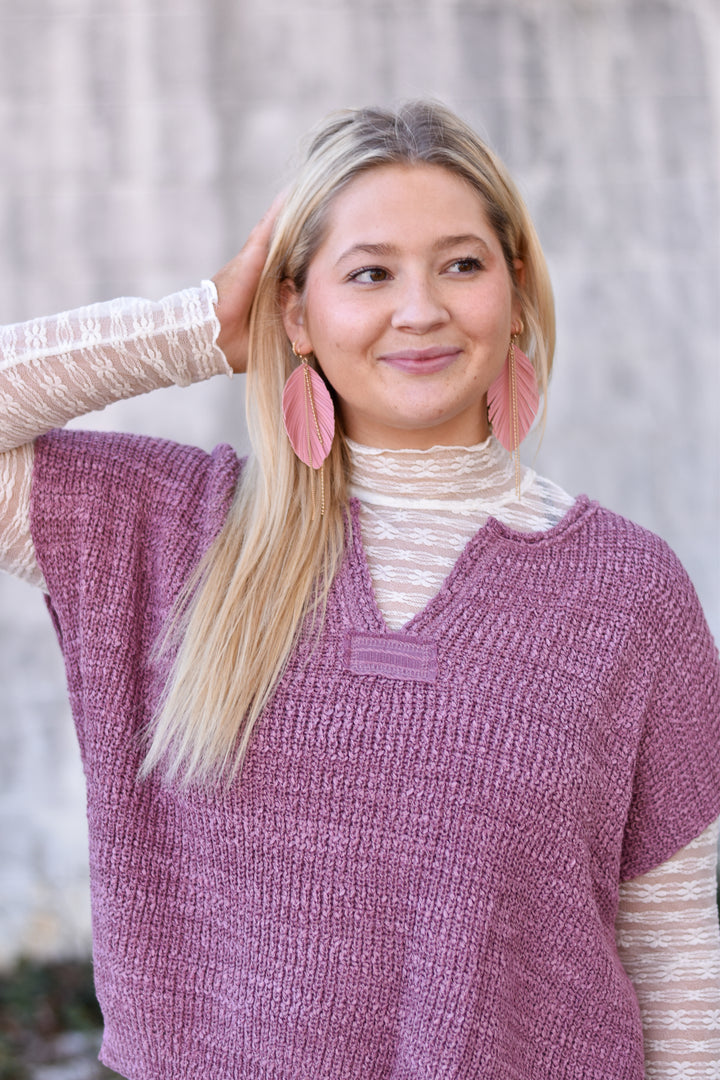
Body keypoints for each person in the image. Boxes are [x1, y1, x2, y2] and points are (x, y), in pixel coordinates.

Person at [1, 102, 718, 1079]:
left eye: (462, 265)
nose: (419, 309)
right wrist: (200, 325)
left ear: (515, 290)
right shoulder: (163, 534)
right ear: (295, 312)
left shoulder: (631, 595)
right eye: (370, 272)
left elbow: (676, 956)